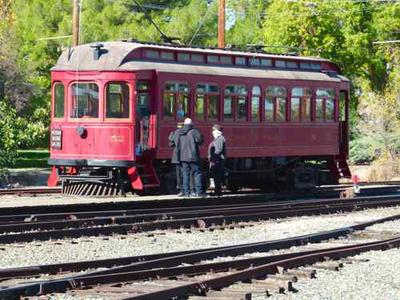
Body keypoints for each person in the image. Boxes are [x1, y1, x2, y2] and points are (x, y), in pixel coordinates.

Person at [177, 118, 204, 197]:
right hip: (193, 156)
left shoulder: (180, 132)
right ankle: (198, 191)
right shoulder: (194, 132)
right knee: (197, 173)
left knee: (185, 174)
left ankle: (186, 192)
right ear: (191, 124)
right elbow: (200, 141)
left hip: (183, 157)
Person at [208, 124, 226, 196]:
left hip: (217, 160)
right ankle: (217, 191)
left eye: (213, 130)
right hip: (217, 160)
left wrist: (213, 160)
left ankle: (218, 191)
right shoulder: (218, 138)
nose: (212, 132)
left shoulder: (219, 139)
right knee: (216, 176)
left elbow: (218, 150)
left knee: (217, 176)